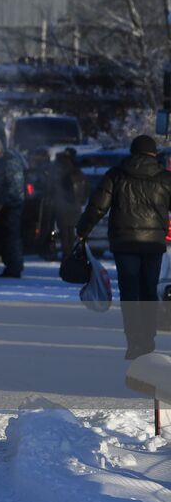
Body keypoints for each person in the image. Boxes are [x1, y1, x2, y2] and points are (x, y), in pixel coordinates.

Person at [77, 134, 171, 359]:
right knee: (148, 290)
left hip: (124, 242)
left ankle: (134, 340)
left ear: (132, 151)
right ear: (154, 153)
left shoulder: (116, 175)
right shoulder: (165, 178)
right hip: (153, 243)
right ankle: (148, 338)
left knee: (129, 292)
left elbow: (98, 206)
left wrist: (83, 230)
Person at [0, 138, 27, 278]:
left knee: (11, 237)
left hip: (11, 206)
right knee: (7, 237)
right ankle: (11, 265)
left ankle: (14, 267)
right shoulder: (1, 162)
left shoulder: (10, 162)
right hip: (6, 206)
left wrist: (2, 202)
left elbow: (14, 187)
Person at [48, 148, 88, 260]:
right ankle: (72, 254)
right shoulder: (78, 172)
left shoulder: (59, 174)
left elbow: (52, 189)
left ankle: (67, 255)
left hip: (62, 207)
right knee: (72, 232)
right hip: (76, 207)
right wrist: (81, 200)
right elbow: (86, 189)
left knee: (64, 233)